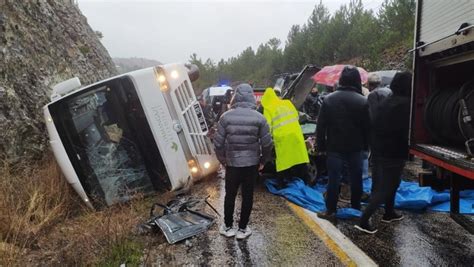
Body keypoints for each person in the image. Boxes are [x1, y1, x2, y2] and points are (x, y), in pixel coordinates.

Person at [355, 72, 412, 234]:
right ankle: (364, 220)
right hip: (394, 151)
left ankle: (389, 212)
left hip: (379, 149)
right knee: (386, 187)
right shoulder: (406, 104)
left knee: (390, 183)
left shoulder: (388, 101)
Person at [214, 83, 273, 240]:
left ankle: (227, 227)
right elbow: (267, 143)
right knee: (248, 196)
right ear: (251, 97)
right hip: (252, 164)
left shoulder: (225, 117)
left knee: (230, 195)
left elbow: (218, 144)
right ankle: (242, 229)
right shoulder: (260, 118)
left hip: (232, 164)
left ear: (236, 97)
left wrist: (223, 161)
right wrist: (262, 161)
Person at [316, 66, 370, 221]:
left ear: (341, 80)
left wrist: (321, 147)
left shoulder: (329, 99)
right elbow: (368, 127)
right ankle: (355, 206)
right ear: (357, 81)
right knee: (356, 178)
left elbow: (321, 127)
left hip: (334, 147)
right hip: (356, 147)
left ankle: (331, 210)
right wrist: (366, 146)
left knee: (333, 178)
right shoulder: (363, 101)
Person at [260, 88, 310, 187]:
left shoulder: (268, 108)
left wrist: (266, 139)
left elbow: (267, 125)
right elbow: (296, 116)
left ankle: (281, 183)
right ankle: (306, 181)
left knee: (283, 162)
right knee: (300, 158)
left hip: (282, 137)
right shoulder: (287, 103)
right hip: (296, 134)